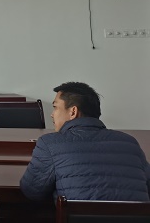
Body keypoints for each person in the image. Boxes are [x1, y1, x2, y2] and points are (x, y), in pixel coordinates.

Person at [20, 82, 150, 202]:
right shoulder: (130, 143)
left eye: (55, 107)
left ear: (73, 112)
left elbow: (32, 191)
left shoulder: (50, 143)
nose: (52, 114)